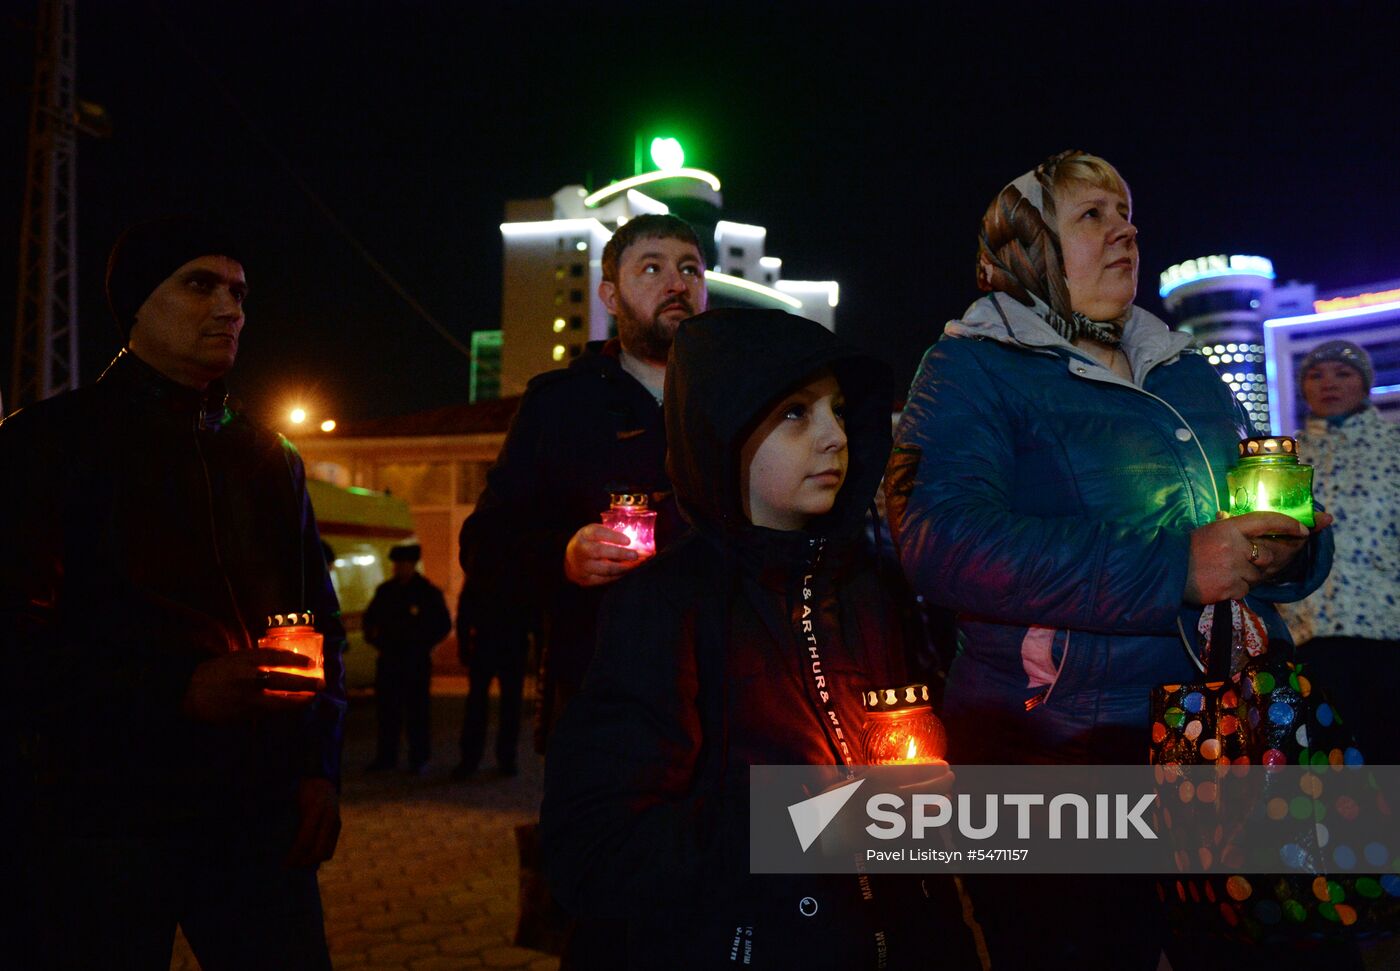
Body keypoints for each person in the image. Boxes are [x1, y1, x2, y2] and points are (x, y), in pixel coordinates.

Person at [886, 151, 1333, 968]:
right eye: (1092, 214)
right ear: (1029, 244)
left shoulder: (1184, 368)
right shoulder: (971, 366)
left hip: (1225, 731)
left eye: (1127, 212)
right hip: (1060, 745)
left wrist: (1290, 544)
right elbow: (940, 539)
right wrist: (1177, 568)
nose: (1125, 228)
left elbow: (1254, 500)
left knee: (1266, 942)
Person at [541, 308, 981, 970]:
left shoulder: (873, 588)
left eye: (838, 409)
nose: (836, 437)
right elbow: (594, 852)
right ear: (723, 430)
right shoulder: (664, 605)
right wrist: (810, 823)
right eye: (797, 413)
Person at [0, 216, 347, 969]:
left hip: (257, 813)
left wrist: (319, 764)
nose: (230, 308)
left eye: (239, 291)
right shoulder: (48, 444)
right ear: (136, 304)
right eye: (200, 284)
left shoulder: (267, 456)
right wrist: (176, 691)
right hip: (102, 816)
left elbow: (318, 621)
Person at [457, 212, 708, 748]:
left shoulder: (739, 401)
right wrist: (565, 557)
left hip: (730, 698)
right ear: (610, 297)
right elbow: (484, 544)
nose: (677, 283)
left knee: (765, 833)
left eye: (690, 269)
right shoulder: (561, 405)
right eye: (652, 268)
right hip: (604, 704)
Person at [1282, 340, 1400, 765]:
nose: (1328, 382)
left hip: (1387, 634)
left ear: (1365, 384)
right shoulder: (1287, 458)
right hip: (1307, 636)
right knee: (1328, 769)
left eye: (1342, 373)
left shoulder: (1394, 444)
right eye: (1315, 374)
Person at [363, 543, 452, 774]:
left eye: (403, 564)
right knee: (387, 713)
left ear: (412, 565)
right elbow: (370, 621)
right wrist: (377, 641)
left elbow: (442, 624)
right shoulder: (386, 591)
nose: (399, 568)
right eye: (396, 564)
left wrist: (423, 644)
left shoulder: (427, 593)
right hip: (390, 660)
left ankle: (419, 758)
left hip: (415, 662)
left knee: (417, 713)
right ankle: (386, 758)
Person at [453, 583, 532, 778]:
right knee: (502, 705)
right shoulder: (519, 572)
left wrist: (464, 645)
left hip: (495, 643)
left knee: (487, 704)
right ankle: (501, 759)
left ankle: (478, 759)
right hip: (504, 644)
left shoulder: (485, 571)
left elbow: (465, 610)